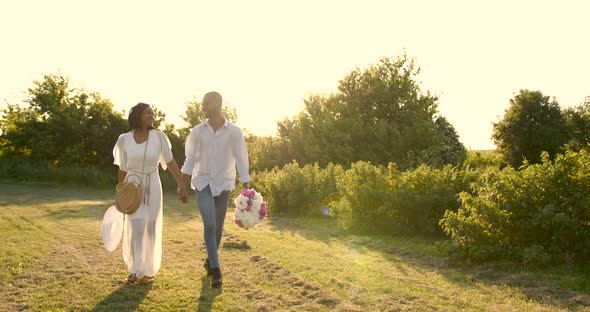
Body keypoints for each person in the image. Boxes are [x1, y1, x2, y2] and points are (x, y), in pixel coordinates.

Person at [112, 102, 188, 283]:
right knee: (136, 226)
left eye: (153, 113)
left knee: (151, 228)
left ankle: (148, 269)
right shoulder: (124, 139)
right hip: (132, 185)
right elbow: (123, 168)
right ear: (137, 115)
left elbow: (170, 163)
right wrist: (120, 191)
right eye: (148, 113)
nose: (152, 116)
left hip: (153, 184)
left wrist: (181, 185)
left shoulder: (159, 137)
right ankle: (134, 269)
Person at [181, 91, 250, 288]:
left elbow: (241, 157)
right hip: (202, 182)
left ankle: (210, 260)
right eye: (202, 104)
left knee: (218, 228)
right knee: (209, 225)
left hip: (225, 184)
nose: (203, 107)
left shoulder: (234, 132)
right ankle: (217, 270)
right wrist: (182, 183)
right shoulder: (197, 132)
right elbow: (190, 159)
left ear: (218, 104)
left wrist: (245, 183)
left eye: (206, 103)